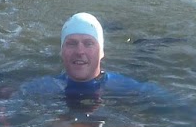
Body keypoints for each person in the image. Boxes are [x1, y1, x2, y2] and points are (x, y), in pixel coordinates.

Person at [14, 12, 164, 103]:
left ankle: (147, 47)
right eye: (71, 43)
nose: (80, 51)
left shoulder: (130, 88)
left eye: (89, 43)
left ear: (102, 52)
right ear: (61, 51)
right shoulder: (35, 89)